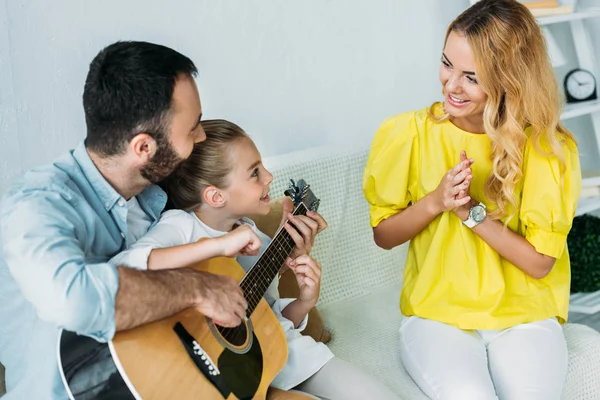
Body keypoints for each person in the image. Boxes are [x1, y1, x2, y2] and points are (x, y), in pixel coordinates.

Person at [0, 41, 264, 400]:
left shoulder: (152, 191)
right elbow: (72, 299)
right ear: (143, 148)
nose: (200, 136)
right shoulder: (36, 206)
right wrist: (197, 287)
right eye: (193, 128)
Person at [363, 1, 582, 399]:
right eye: (447, 64)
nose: (451, 85)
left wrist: (470, 213)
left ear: (510, 81)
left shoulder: (547, 149)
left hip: (524, 316)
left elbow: (539, 264)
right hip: (437, 316)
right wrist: (435, 201)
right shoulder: (408, 134)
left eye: (471, 77)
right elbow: (384, 235)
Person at [112, 119, 401, 400]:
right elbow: (123, 270)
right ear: (215, 196)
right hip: (214, 372)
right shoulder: (181, 226)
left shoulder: (253, 236)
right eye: (255, 172)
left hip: (281, 353)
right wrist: (219, 246)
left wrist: (304, 302)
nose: (269, 177)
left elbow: (266, 321)